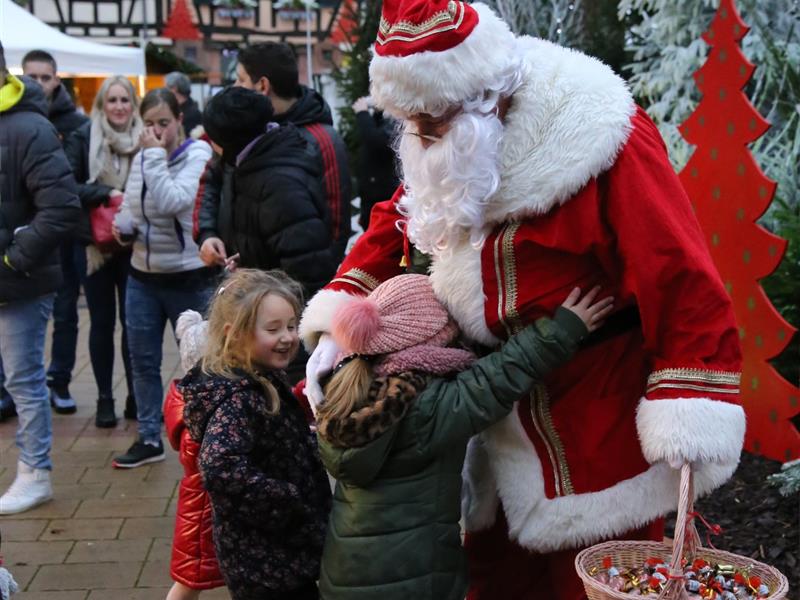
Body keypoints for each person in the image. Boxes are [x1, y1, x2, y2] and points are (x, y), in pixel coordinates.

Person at [298, 2, 746, 598]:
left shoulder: (603, 136)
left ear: (487, 97)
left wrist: (691, 399)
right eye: (412, 125)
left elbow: (678, 272)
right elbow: (400, 220)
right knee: (493, 574)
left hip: (592, 405)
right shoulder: (450, 133)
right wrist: (339, 319)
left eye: (432, 123)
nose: (422, 139)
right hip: (485, 404)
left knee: (591, 577)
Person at [316, 275, 610, 599]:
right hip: (412, 580)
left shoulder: (347, 389)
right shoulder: (422, 405)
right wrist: (561, 330)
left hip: (345, 575)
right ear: (434, 335)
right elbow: (495, 381)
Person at [181, 269, 332, 600]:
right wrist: (286, 498)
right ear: (234, 335)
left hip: (277, 554)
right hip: (266, 561)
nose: (287, 337)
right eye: (273, 329)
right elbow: (220, 466)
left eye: (292, 326)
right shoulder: (239, 397)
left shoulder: (262, 378)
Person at [201, 86, 338, 383]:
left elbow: (308, 270)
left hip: (290, 347)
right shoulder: (256, 162)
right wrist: (250, 260)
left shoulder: (278, 184)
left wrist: (286, 346)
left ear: (228, 143)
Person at [110, 88, 214, 469]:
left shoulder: (197, 154)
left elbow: (175, 200)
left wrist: (152, 155)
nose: (155, 132)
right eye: (149, 124)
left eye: (163, 124)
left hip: (189, 275)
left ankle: (206, 436)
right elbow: (132, 201)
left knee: (200, 362)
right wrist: (124, 225)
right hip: (143, 274)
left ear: (179, 120)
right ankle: (149, 436)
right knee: (142, 359)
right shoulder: (144, 157)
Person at [0, 41, 81, 514]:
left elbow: (62, 207)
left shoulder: (30, 127)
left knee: (24, 381)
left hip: (19, 282)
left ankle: (35, 473)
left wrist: (13, 259)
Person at [197, 42, 351, 270]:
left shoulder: (321, 138)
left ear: (262, 85)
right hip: (241, 273)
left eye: (241, 79)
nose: (235, 87)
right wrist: (207, 233)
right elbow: (212, 179)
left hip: (287, 284)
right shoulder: (236, 127)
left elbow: (335, 225)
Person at [64, 75, 142, 428]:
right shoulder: (83, 138)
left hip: (134, 245)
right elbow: (68, 187)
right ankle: (104, 399)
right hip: (94, 246)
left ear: (133, 104)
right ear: (101, 105)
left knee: (132, 325)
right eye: (112, 101)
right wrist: (105, 194)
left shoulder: (144, 137)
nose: (119, 107)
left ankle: (133, 397)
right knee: (101, 322)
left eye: (125, 100)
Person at [19, 49, 89, 415]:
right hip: (22, 231)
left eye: (45, 77)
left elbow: (76, 181)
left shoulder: (75, 123)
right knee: (17, 312)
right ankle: (9, 388)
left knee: (65, 312)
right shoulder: (12, 117)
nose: (38, 83)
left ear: (56, 80)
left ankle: (59, 380)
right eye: (32, 76)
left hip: (65, 234)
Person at [164, 310, 223, 600]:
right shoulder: (201, 411)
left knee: (194, 578)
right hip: (203, 509)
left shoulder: (189, 401)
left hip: (201, 506)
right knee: (190, 579)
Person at [351, 96, 399, 232]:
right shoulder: (388, 118)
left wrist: (362, 114)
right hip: (374, 195)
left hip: (384, 196)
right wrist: (378, 112)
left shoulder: (399, 118)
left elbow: (376, 141)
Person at [165, 71, 203, 138]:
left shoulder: (191, 114)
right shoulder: (187, 108)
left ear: (174, 88)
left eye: (166, 88)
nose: (165, 92)